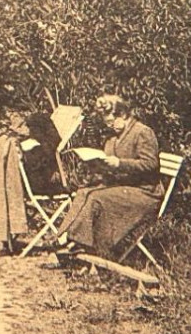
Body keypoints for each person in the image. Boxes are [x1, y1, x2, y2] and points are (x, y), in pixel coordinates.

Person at [58, 93, 163, 259]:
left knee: (97, 198)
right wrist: (99, 165)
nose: (111, 126)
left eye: (111, 121)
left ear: (123, 114)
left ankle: (80, 245)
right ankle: (63, 237)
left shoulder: (142, 132)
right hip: (123, 188)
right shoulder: (113, 137)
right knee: (84, 192)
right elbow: (110, 163)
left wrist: (120, 163)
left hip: (145, 192)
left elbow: (151, 164)